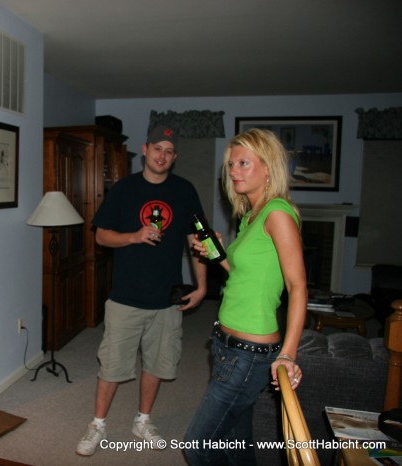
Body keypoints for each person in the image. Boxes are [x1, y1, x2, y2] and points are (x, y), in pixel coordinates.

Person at [75, 123, 208, 456]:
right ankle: (98, 425)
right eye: (156, 148)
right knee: (112, 366)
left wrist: (204, 285)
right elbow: (101, 236)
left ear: (174, 157)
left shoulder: (185, 191)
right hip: (125, 297)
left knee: (158, 364)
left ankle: (142, 421)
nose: (162, 155)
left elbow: (199, 240)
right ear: (145, 150)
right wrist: (134, 235)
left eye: (169, 151)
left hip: (167, 299)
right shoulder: (124, 189)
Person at [183, 128, 307, 465]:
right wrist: (214, 252)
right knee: (237, 444)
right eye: (230, 164)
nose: (233, 170)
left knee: (198, 445)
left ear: (267, 168)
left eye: (243, 163)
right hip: (225, 343)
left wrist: (289, 354)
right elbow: (240, 276)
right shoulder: (251, 216)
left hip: (249, 354)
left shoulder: (278, 213)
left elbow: (298, 287)